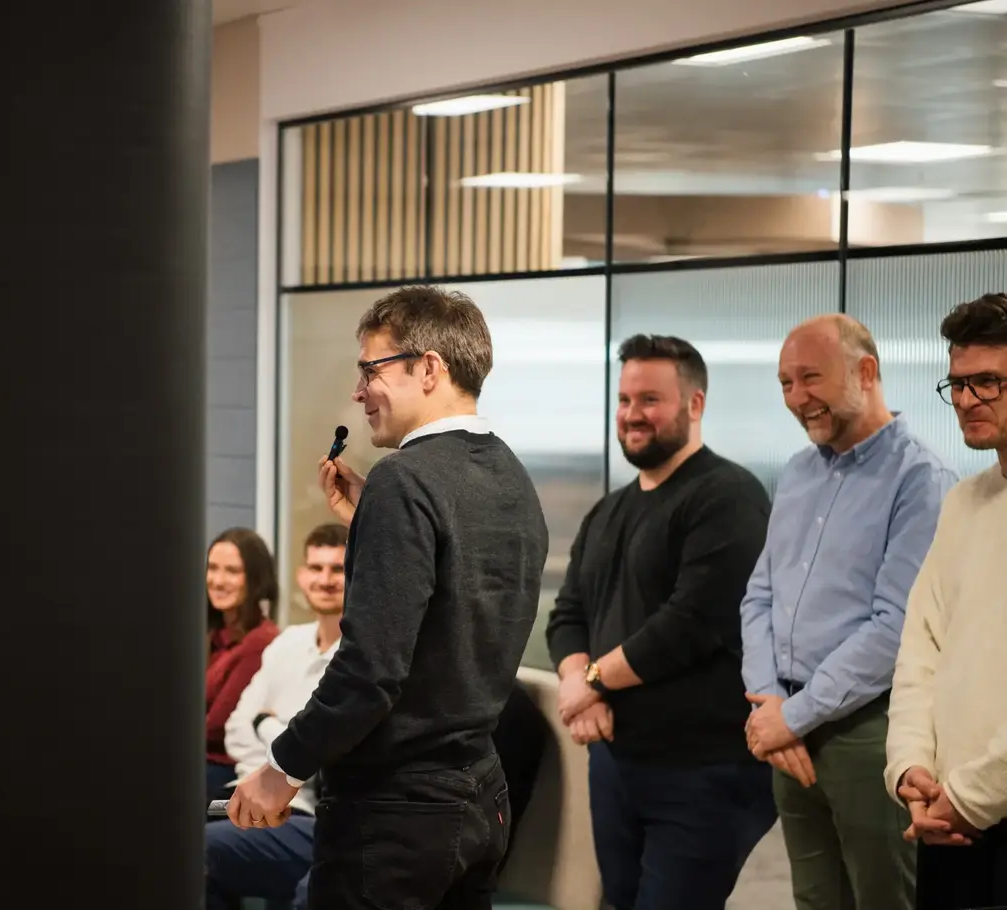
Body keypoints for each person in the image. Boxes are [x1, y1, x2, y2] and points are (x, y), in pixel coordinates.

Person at [227, 285, 549, 910]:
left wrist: (281, 770)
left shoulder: (404, 481)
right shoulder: (509, 474)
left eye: (369, 369)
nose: (357, 392)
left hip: (396, 812)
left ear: (429, 368)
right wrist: (368, 527)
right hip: (479, 794)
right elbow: (459, 602)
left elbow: (370, 671)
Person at [545, 334, 777, 910]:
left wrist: (592, 681)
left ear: (694, 405)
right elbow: (569, 613)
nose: (631, 415)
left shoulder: (726, 497)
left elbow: (691, 624)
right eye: (624, 400)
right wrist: (583, 685)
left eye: (650, 399)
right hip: (617, 765)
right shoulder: (609, 510)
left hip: (702, 773)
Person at [738, 314, 955, 910]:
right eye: (785, 383)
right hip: (788, 723)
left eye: (811, 377)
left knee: (882, 898)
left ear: (867, 371)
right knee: (815, 899)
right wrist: (768, 702)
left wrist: (795, 716)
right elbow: (760, 595)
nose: (797, 398)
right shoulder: (799, 472)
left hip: (868, 731)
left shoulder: (921, 480)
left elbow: (895, 629)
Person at [885, 292, 1007, 910]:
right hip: (945, 813)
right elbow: (920, 648)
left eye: (987, 382)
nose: (966, 401)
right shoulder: (963, 502)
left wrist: (971, 797)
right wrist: (910, 768)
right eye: (956, 384)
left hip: (979, 806)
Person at [205, 522, 349, 910]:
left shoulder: (361, 660)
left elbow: (325, 758)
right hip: (246, 794)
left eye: (338, 569)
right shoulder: (289, 642)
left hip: (306, 813)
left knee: (193, 852)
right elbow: (236, 727)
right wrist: (286, 738)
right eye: (316, 568)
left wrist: (265, 724)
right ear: (301, 575)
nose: (325, 579)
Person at [205, 527, 280, 802]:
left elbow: (214, 727)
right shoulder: (211, 636)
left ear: (256, 580)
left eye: (232, 571)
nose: (218, 580)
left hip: (224, 770)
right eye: (212, 568)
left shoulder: (261, 641)